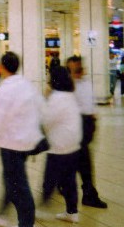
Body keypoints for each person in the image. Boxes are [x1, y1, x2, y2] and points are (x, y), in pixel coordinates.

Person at [0, 52, 43, 227]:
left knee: (18, 185)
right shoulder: (26, 84)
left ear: (2, 67)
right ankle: (0, 213)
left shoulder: (6, 89)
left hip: (11, 144)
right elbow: (40, 108)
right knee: (11, 178)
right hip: (26, 142)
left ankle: (27, 223)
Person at [39, 65, 82, 223]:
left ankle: (42, 208)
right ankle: (72, 212)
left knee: (49, 179)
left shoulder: (57, 97)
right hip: (73, 144)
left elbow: (46, 120)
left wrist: (46, 98)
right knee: (69, 180)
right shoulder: (70, 94)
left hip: (60, 145)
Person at [68, 55, 107, 208]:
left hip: (87, 124)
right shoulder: (67, 86)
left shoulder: (86, 83)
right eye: (75, 69)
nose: (78, 71)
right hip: (75, 126)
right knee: (84, 161)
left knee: (74, 160)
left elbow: (90, 103)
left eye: (79, 68)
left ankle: (58, 186)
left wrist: (93, 117)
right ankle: (89, 194)